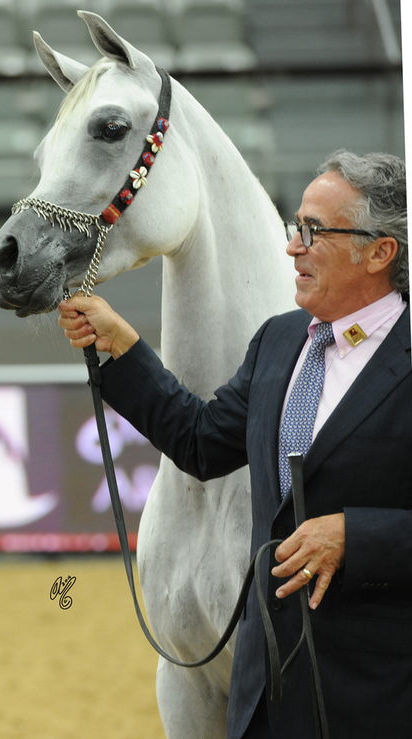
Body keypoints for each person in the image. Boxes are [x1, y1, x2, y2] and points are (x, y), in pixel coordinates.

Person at [59, 150, 411, 739]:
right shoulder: (278, 341)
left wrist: (356, 536)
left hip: (378, 697)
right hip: (264, 693)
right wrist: (122, 348)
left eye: (315, 232)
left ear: (380, 252)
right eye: (295, 228)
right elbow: (200, 442)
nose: (294, 247)